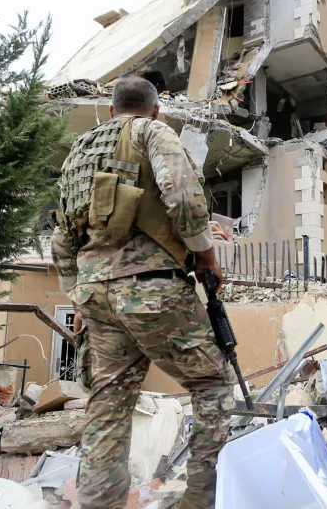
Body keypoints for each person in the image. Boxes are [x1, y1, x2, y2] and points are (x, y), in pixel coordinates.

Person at [51, 77, 233, 508]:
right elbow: (185, 200)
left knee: (108, 403)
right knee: (211, 385)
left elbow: (62, 235)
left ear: (111, 111)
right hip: (151, 287)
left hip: (94, 291)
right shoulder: (153, 131)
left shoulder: (80, 152)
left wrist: (73, 289)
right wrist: (205, 255)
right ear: (155, 110)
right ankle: (201, 501)